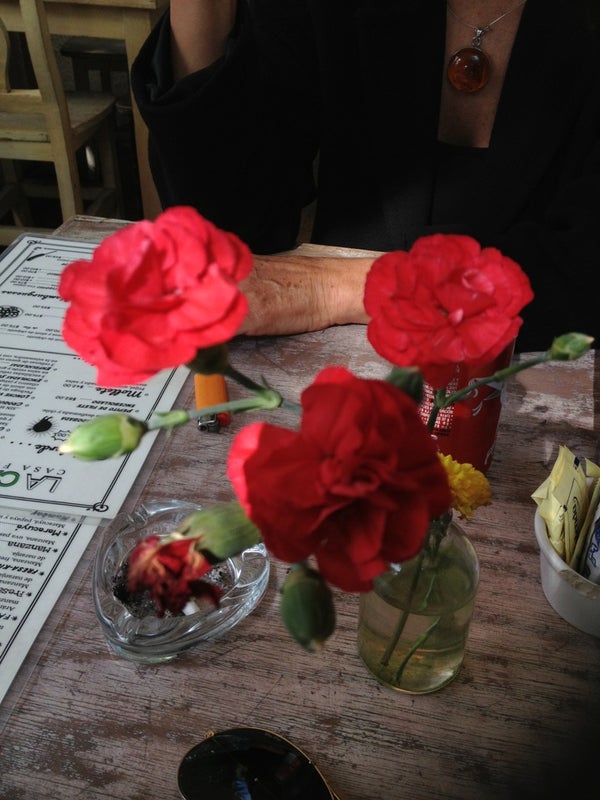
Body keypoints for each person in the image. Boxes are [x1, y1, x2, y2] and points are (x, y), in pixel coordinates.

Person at [131, 0, 600, 351]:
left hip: (548, 384)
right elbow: (230, 233)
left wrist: (332, 289)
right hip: (334, 374)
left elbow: (583, 277)